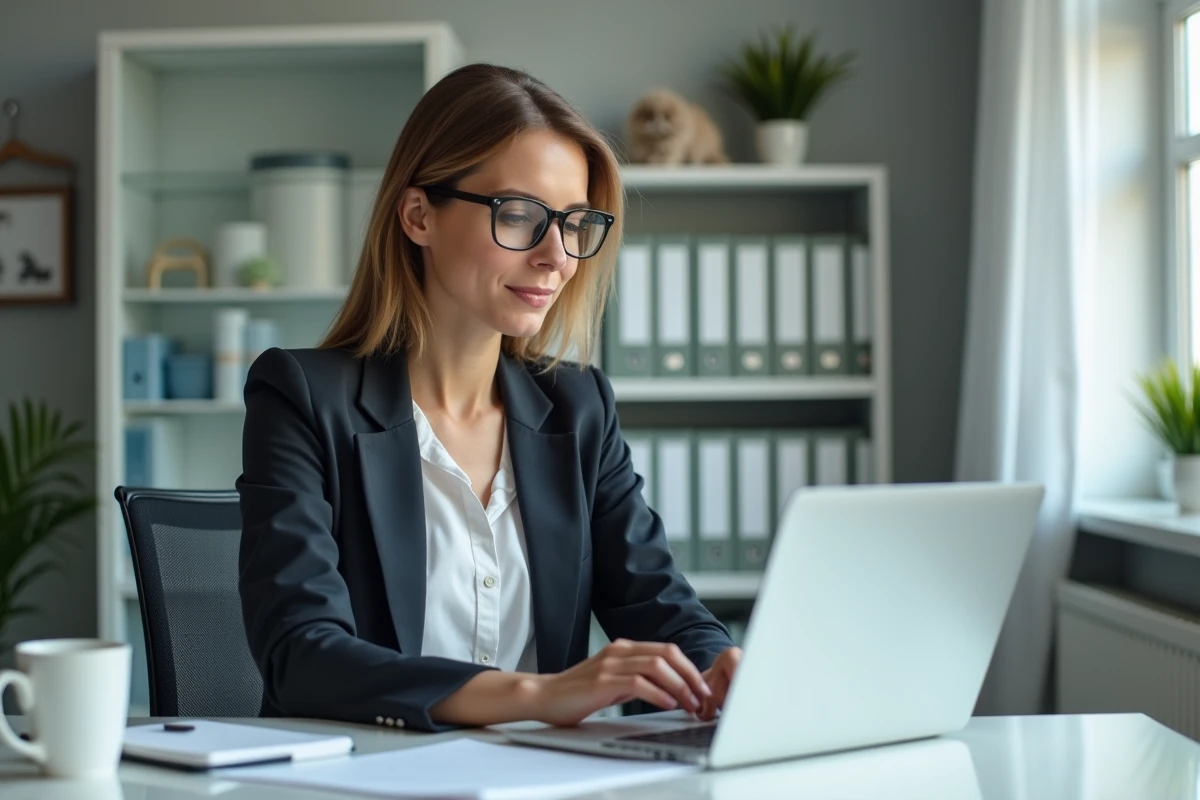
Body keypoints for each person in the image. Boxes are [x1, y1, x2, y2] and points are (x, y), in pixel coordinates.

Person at [237, 63, 741, 734]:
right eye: (521, 216)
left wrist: (715, 668)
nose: (557, 256)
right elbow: (302, 655)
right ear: (418, 215)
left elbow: (662, 607)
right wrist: (536, 695)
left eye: (573, 224)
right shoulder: (301, 398)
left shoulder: (579, 408)